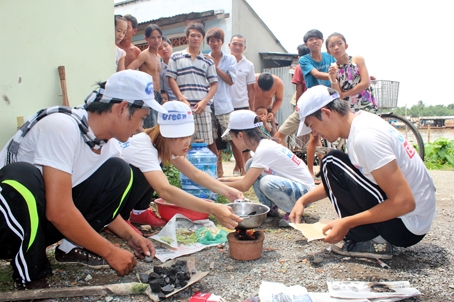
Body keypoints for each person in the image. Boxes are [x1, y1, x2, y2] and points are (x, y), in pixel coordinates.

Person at [0, 70, 167, 289]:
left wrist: (131, 236)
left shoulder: (109, 147)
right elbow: (58, 211)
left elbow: (94, 206)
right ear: (122, 108)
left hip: (40, 227)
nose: (140, 127)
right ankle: (31, 277)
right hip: (8, 230)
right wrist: (110, 251)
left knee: (119, 171)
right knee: (23, 176)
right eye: (141, 118)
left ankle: (69, 248)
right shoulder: (61, 127)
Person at [290, 85, 436, 259]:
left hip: (407, 225)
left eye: (312, 125)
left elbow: (405, 203)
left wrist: (348, 222)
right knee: (335, 163)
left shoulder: (365, 137)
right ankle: (372, 236)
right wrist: (303, 200)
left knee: (331, 161)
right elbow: (349, 179)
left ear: (327, 113)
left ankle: (369, 239)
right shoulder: (361, 122)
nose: (314, 133)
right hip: (414, 219)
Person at [119, 101, 244, 230]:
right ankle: (118, 219)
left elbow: (194, 173)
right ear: (165, 136)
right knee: (142, 173)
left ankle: (140, 212)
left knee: (153, 170)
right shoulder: (143, 148)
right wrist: (213, 208)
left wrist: (227, 191)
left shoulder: (162, 144)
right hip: (110, 195)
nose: (187, 142)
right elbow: (165, 191)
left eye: (189, 136)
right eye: (182, 137)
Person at [219, 110, 314, 227]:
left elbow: (245, 185)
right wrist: (220, 181)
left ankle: (293, 214)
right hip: (296, 187)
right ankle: (270, 209)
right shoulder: (263, 146)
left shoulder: (264, 149)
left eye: (232, 137)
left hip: (305, 192)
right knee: (250, 164)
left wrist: (218, 186)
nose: (232, 141)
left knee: (266, 182)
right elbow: (247, 178)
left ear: (240, 135)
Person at [166, 22, 218, 154]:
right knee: (183, 143)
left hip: (202, 108)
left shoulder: (208, 61)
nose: (195, 38)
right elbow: (171, 78)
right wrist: (181, 98)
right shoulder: (176, 57)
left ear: (202, 39)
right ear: (187, 37)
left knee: (207, 143)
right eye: (193, 35)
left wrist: (205, 101)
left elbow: (214, 84)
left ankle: (211, 173)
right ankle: (186, 173)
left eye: (199, 36)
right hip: (184, 108)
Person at [299, 29, 336, 181]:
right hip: (314, 100)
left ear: (322, 41)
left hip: (331, 97)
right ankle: (309, 172)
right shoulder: (304, 59)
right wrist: (332, 75)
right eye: (311, 39)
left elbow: (346, 64)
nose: (314, 41)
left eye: (317, 38)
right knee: (314, 137)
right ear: (306, 44)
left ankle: (328, 170)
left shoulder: (330, 56)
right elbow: (315, 74)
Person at [204, 27, 239, 178]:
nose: (215, 43)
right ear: (208, 43)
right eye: (212, 40)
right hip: (208, 103)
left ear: (223, 43)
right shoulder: (203, 58)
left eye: (218, 40)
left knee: (232, 138)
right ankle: (217, 172)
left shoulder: (230, 59)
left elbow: (231, 81)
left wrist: (215, 67)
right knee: (211, 139)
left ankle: (242, 169)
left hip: (224, 104)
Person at [326, 32, 377, 112]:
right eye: (332, 46)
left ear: (346, 46)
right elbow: (338, 95)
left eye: (339, 43)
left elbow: (365, 83)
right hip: (349, 110)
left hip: (365, 105)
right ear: (328, 51)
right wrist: (333, 78)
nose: (336, 47)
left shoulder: (358, 60)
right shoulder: (332, 70)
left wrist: (345, 94)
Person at [228, 34, 255, 176]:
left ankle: (242, 168)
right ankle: (234, 167)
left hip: (242, 105)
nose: (237, 47)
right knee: (225, 139)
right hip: (225, 105)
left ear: (244, 47)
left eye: (240, 45)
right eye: (235, 44)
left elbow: (251, 88)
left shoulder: (248, 65)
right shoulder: (224, 61)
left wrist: (252, 108)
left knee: (243, 138)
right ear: (229, 45)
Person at [128, 24, 164, 128]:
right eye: (152, 37)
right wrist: (142, 87)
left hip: (158, 95)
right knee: (150, 127)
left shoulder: (158, 57)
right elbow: (130, 69)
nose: (156, 40)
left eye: (159, 37)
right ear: (146, 38)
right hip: (147, 94)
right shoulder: (145, 55)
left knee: (158, 127)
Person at [274, 44, 310, 146]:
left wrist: (298, 107)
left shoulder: (300, 67)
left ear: (299, 56)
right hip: (317, 106)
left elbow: (299, 90)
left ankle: (288, 160)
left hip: (305, 106)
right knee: (315, 138)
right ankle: (321, 160)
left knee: (279, 135)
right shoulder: (316, 66)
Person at [158, 36, 177, 101]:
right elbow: (162, 90)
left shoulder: (181, 62)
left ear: (171, 45)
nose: (163, 49)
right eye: (160, 48)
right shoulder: (159, 69)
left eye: (165, 45)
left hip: (187, 101)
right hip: (171, 103)